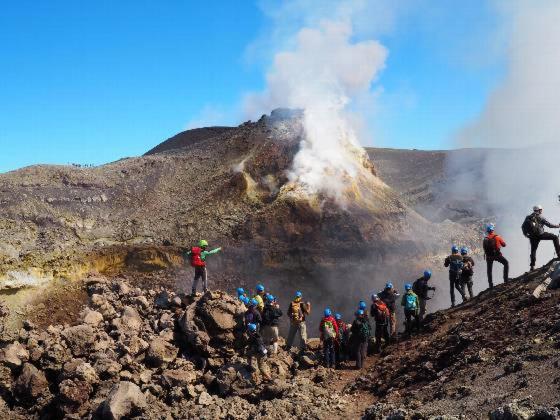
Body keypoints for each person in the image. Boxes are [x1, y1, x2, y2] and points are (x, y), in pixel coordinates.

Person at [522, 205, 560, 271]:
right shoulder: (540, 217)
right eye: (541, 209)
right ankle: (559, 254)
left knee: (533, 250)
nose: (542, 211)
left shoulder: (528, 217)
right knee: (555, 237)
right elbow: (549, 225)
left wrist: (526, 235)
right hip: (541, 234)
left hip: (532, 236)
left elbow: (523, 226)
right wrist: (558, 226)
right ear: (539, 210)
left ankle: (532, 266)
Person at [483, 223, 509, 289]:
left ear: (488, 231)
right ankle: (506, 280)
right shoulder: (497, 237)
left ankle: (490, 285)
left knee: (489, 270)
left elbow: (484, 248)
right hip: (497, 255)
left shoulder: (485, 239)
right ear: (493, 230)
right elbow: (504, 245)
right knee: (506, 263)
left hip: (489, 257)